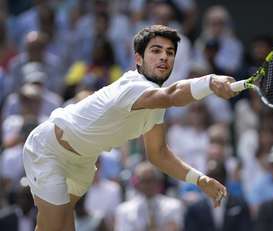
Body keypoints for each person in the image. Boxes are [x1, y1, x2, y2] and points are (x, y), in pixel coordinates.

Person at [22, 25, 237, 231]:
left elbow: (158, 154)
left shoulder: (155, 103)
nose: (164, 57)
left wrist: (200, 179)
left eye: (170, 52)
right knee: (53, 226)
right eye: (156, 50)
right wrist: (209, 82)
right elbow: (172, 94)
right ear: (138, 59)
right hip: (50, 150)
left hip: (82, 164)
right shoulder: (133, 86)